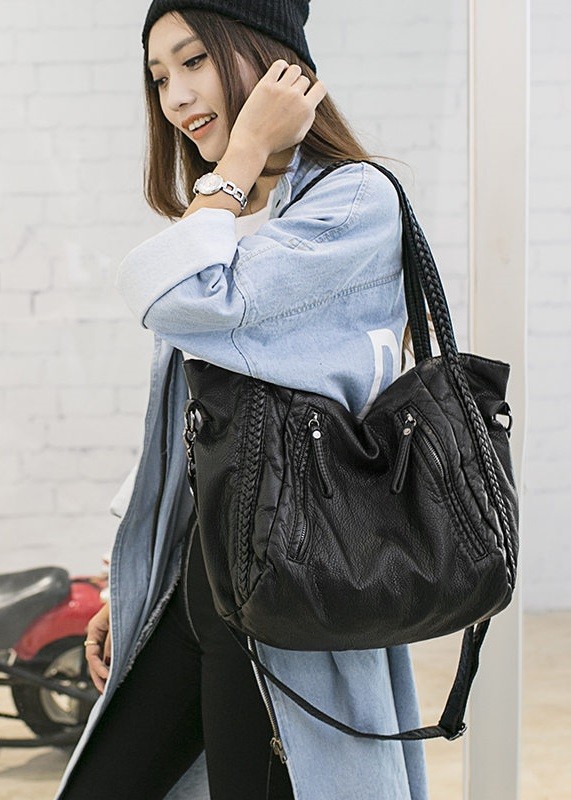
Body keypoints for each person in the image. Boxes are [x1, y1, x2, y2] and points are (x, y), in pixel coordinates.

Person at [55, 1, 429, 798]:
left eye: (194, 61)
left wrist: (245, 151)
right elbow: (197, 425)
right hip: (200, 572)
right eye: (159, 77)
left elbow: (172, 294)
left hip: (285, 586)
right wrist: (130, 581)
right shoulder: (235, 218)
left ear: (278, 64)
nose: (177, 98)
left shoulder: (352, 204)